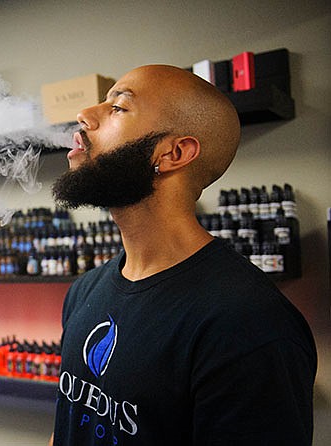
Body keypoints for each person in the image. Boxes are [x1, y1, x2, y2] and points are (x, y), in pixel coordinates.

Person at [48, 65, 316, 445]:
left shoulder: (249, 325)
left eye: (119, 107)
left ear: (174, 153)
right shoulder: (85, 292)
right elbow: (67, 428)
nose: (85, 115)